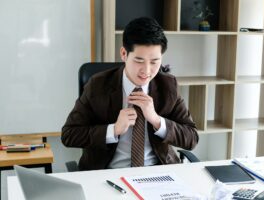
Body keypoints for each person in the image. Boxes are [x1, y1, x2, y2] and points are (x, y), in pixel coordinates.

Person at [61, 17, 198, 170]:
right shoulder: (98, 85)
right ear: (124, 53)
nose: (146, 71)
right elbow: (69, 135)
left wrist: (157, 120)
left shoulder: (167, 86)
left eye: (154, 62)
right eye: (139, 60)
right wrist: (113, 129)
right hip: (109, 174)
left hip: (156, 172)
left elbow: (191, 138)